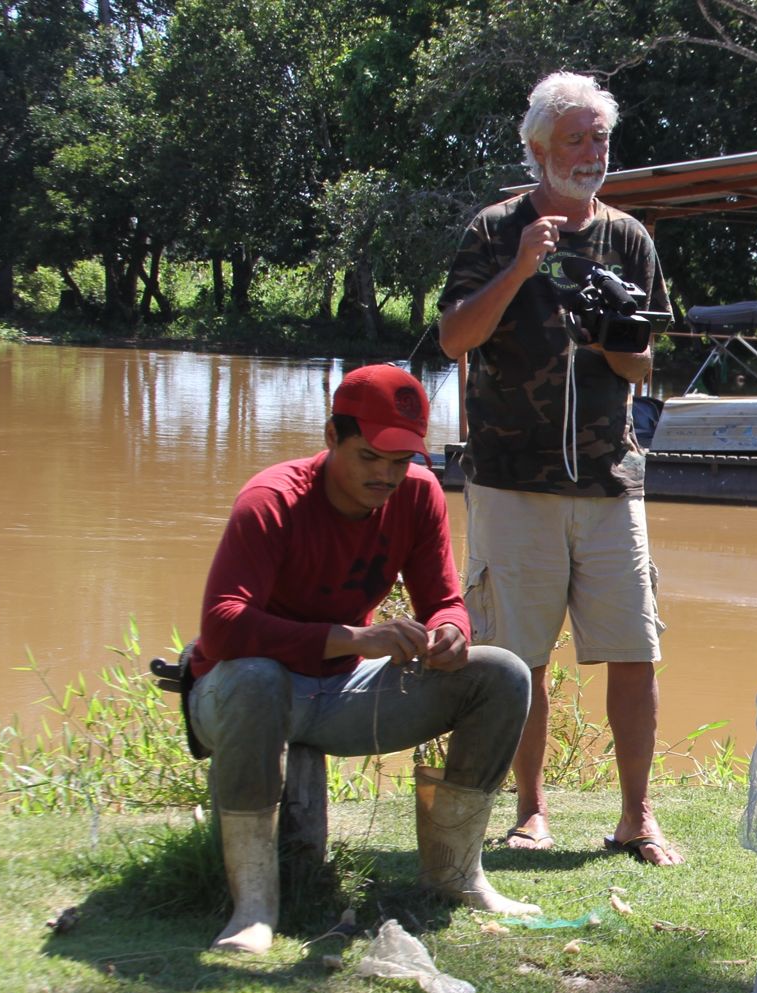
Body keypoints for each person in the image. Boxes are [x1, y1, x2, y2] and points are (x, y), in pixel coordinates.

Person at [190, 364, 538, 954]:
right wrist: (352, 638)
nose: (386, 476)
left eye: (400, 462)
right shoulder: (271, 500)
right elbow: (222, 627)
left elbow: (445, 601)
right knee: (254, 675)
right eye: (369, 458)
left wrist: (449, 632)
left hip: (341, 694)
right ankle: (254, 906)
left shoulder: (419, 494)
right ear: (332, 437)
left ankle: (455, 874)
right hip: (236, 696)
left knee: (502, 673)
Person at [437, 71, 680, 865]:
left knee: (635, 649)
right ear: (537, 148)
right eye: (575, 138)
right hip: (512, 477)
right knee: (520, 656)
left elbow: (643, 368)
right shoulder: (493, 227)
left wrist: (618, 341)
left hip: (611, 479)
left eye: (599, 138)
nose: (590, 152)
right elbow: (453, 342)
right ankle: (532, 811)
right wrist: (519, 267)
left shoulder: (630, 238)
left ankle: (636, 816)